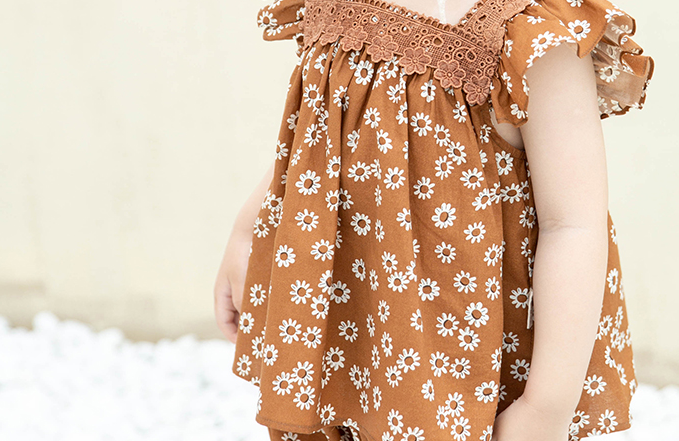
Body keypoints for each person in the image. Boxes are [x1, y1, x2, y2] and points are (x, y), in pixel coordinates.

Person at [214, 0, 654, 440]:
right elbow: (321, 133)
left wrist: (545, 408)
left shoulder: (531, 30)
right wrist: (248, 228)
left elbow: (573, 225)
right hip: (340, 321)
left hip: (455, 351)